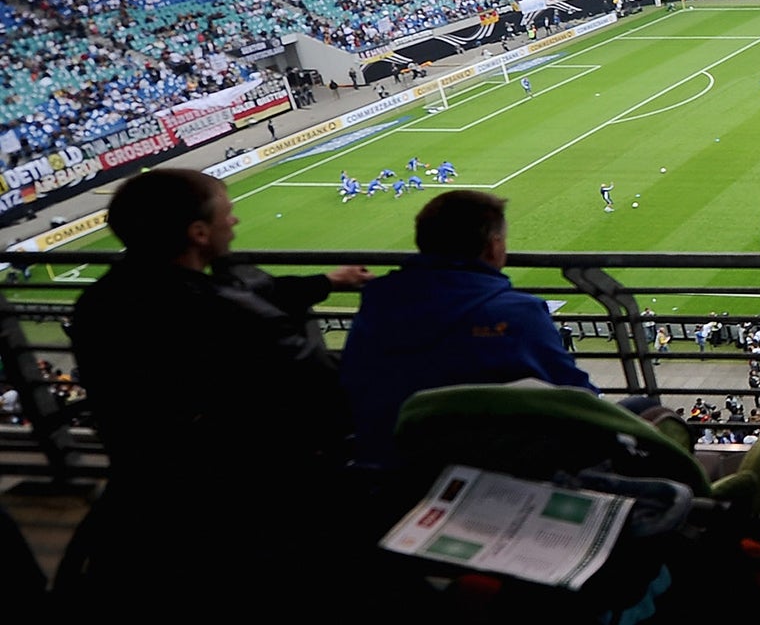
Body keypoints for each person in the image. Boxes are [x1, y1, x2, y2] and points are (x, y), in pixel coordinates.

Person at [72, 170, 368, 486]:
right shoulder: (230, 314)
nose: (234, 222)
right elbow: (323, 386)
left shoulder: (99, 301)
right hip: (234, 477)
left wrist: (327, 281)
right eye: (227, 214)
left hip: (142, 474)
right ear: (199, 233)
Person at [339, 190, 596, 469]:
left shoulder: (377, 303)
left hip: (386, 466)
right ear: (494, 247)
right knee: (640, 412)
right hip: (494, 470)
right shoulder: (515, 313)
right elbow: (579, 397)